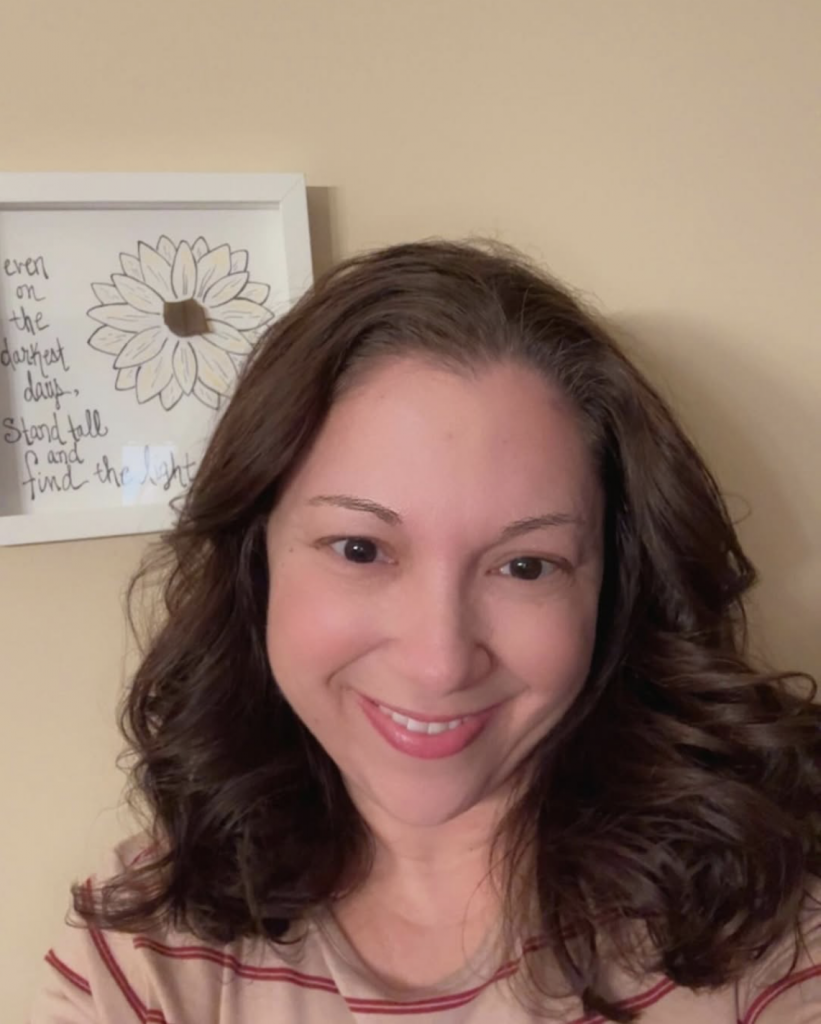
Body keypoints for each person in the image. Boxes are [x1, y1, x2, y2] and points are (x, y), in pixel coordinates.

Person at [31, 239, 821, 1023]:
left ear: (612, 586)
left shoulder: (765, 928)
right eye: (360, 550)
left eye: (525, 566)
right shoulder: (139, 960)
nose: (438, 662)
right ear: (256, 560)